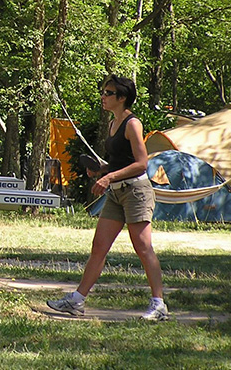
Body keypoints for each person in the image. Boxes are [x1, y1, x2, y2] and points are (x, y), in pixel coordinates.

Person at [47, 75, 168, 321]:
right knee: (98, 247)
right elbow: (119, 162)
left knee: (143, 248)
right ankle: (77, 301)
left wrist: (108, 178)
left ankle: (159, 305)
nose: (103, 96)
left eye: (108, 93)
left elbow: (141, 164)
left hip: (136, 192)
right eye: (103, 91)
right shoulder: (113, 124)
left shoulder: (132, 124)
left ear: (122, 98)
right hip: (116, 193)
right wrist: (102, 170)